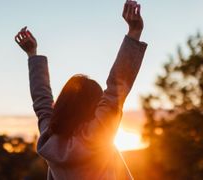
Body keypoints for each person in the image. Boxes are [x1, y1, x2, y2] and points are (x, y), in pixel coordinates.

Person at [15, 0, 147, 179]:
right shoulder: (97, 135)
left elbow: (42, 103)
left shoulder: (49, 141)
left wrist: (33, 54)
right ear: (94, 107)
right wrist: (134, 32)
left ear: (61, 105)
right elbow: (116, 88)